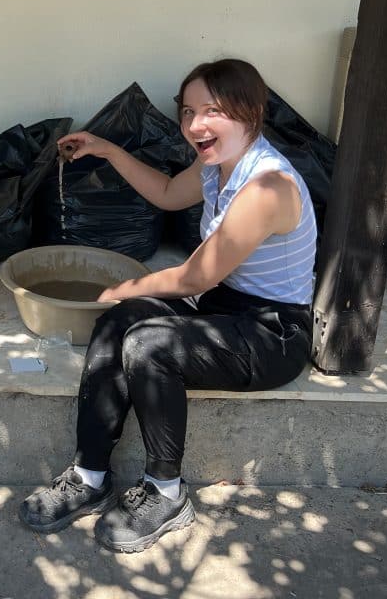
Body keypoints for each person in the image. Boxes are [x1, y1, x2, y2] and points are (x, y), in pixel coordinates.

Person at [19, 58, 315, 553]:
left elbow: (196, 276)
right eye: (188, 112)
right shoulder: (215, 164)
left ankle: (166, 492)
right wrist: (106, 149)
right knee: (119, 325)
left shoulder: (267, 187)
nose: (195, 125)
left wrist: (125, 286)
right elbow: (164, 192)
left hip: (272, 333)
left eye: (213, 111)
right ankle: (90, 475)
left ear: (251, 112)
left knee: (148, 345)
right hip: (225, 309)